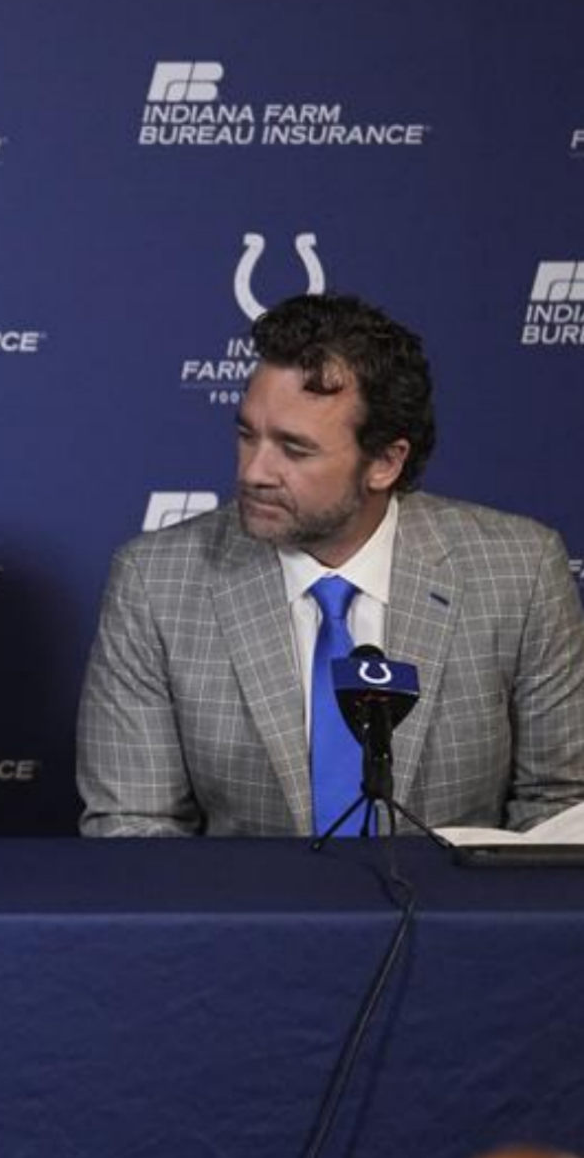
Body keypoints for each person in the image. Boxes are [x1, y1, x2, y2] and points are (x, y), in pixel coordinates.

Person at [78, 293, 584, 837]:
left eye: (294, 450)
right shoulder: (156, 583)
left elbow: (557, 806)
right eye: (248, 435)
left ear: (385, 463)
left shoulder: (520, 571)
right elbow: (133, 825)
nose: (255, 471)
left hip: (454, 920)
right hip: (248, 919)